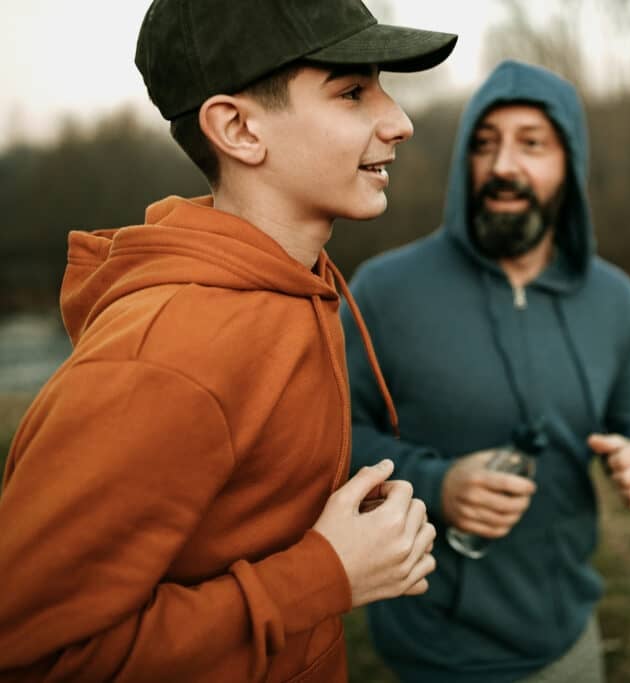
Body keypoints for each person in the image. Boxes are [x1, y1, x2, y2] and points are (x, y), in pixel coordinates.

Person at [0, 2, 456, 681]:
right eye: (353, 92)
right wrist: (322, 574)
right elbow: (37, 657)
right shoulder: (162, 359)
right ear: (238, 128)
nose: (399, 119)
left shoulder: (298, 284)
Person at [342, 60, 630, 682]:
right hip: (435, 652)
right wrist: (438, 486)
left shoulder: (615, 299)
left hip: (570, 640)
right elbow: (330, 438)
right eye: (485, 144)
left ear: (569, 166)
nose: (502, 166)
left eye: (532, 144)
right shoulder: (385, 291)